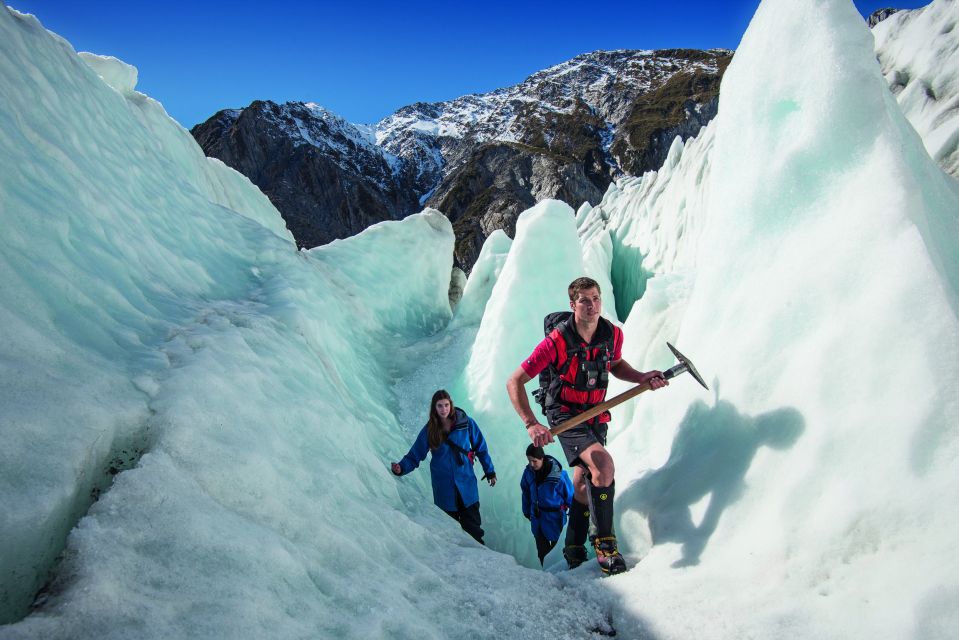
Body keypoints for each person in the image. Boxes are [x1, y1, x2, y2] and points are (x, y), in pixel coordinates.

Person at [506, 276, 667, 575]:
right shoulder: (556, 341)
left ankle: (573, 547)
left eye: (595, 298)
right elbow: (514, 381)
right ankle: (605, 545)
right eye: (584, 300)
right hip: (565, 413)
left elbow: (616, 365)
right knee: (603, 466)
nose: (592, 305)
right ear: (573, 304)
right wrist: (531, 423)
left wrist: (642, 377)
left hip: (594, 413)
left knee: (583, 483)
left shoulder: (611, 335)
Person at [391, 389, 496, 544]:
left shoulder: (466, 423)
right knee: (450, 537)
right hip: (444, 490)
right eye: (440, 406)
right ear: (434, 408)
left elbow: (481, 448)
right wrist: (401, 467)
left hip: (466, 487)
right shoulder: (430, 430)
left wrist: (490, 471)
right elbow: (416, 454)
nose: (443, 409)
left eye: (446, 405)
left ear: (451, 405)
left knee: (474, 533)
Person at [521, 444, 574, 566]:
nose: (531, 464)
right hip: (537, 517)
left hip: (556, 518)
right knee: (542, 552)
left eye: (534, 461)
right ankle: (546, 575)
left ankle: (560, 575)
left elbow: (570, 496)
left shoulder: (559, 476)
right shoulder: (528, 473)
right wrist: (526, 510)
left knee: (558, 551)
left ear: (542, 458)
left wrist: (574, 513)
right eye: (529, 461)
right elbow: (525, 492)